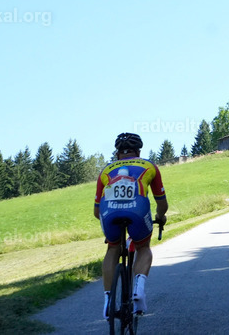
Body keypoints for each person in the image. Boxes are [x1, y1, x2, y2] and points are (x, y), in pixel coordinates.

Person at [94, 133, 168, 319]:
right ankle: (139, 290)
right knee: (143, 247)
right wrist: (160, 216)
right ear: (138, 152)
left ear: (117, 154)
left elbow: (96, 212)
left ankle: (108, 301)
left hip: (108, 211)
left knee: (112, 249)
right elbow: (162, 202)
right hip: (138, 209)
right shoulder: (149, 165)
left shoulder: (105, 170)